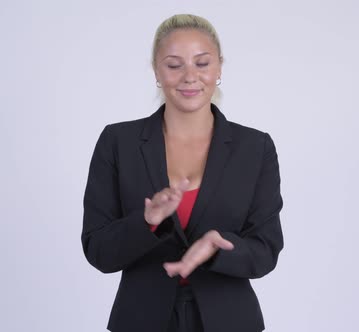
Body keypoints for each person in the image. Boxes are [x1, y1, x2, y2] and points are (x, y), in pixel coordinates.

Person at [81, 14, 284, 332]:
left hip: (230, 322)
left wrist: (218, 248)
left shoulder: (255, 148)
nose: (190, 77)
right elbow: (98, 251)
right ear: (157, 71)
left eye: (202, 63)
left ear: (219, 68)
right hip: (140, 321)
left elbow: (265, 250)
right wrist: (146, 223)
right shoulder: (118, 142)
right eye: (174, 65)